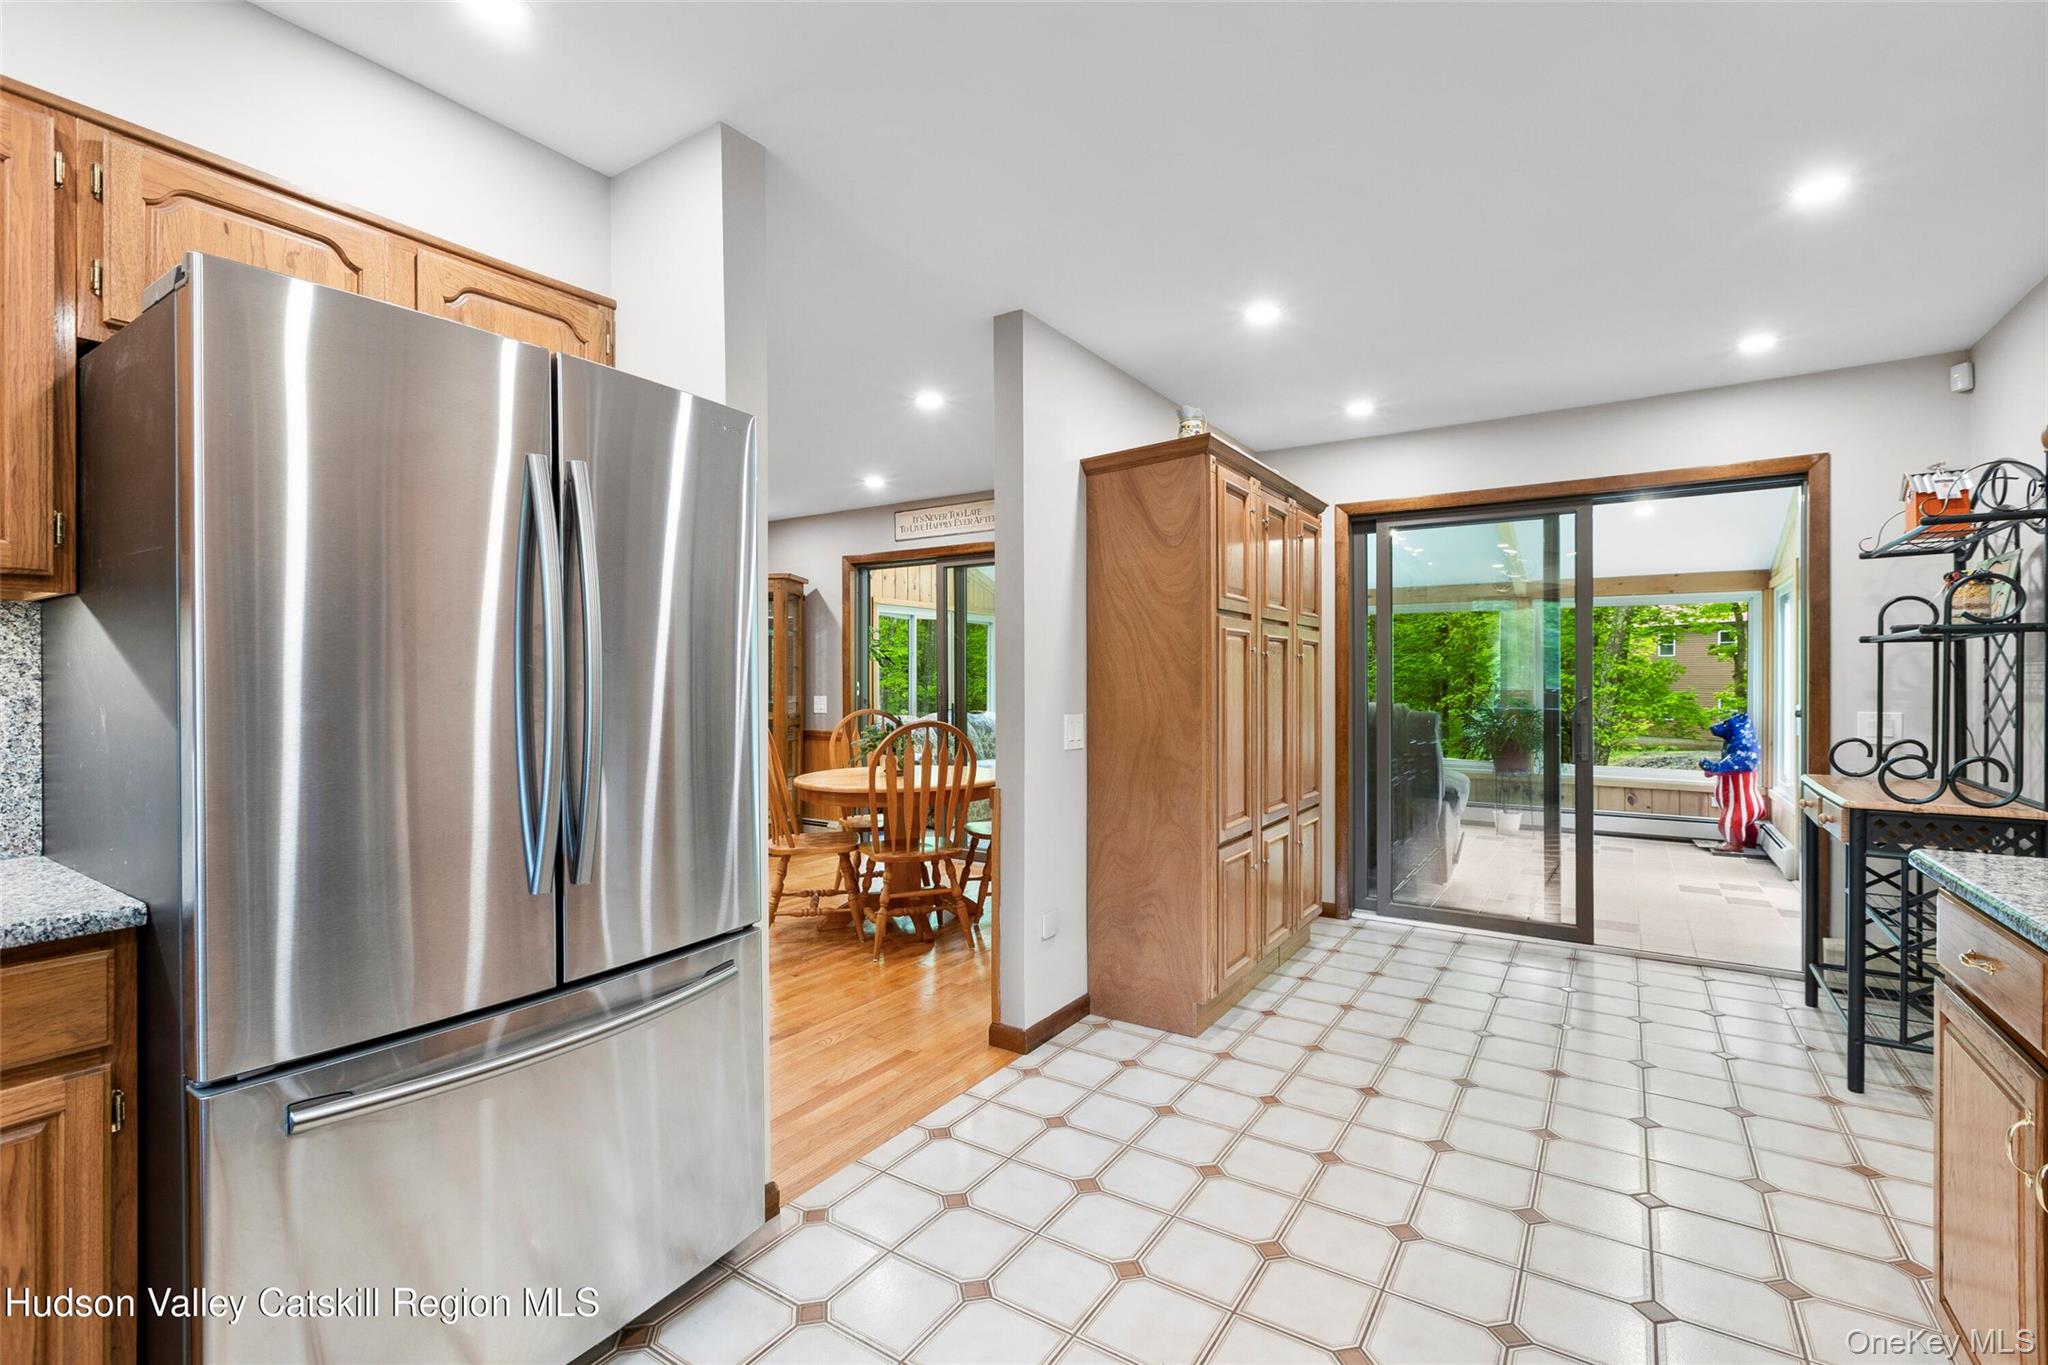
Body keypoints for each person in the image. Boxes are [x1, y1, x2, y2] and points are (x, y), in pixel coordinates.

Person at [1700, 712, 1764, 854]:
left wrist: (1709, 766)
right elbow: (1723, 768)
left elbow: (1724, 767)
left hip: (1739, 805)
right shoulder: (1747, 753)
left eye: (1725, 725)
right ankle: (1749, 841)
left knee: (1728, 824)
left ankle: (1734, 844)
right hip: (1752, 802)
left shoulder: (1739, 757)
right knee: (1747, 824)